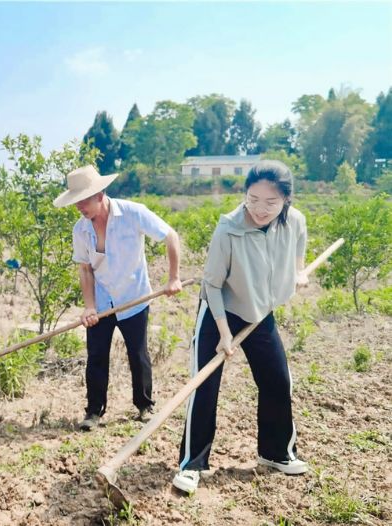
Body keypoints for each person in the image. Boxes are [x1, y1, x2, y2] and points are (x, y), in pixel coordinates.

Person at [172, 160, 309, 495]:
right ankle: (192, 464)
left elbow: (297, 257)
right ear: (245, 194)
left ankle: (276, 453)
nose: (260, 209)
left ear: (286, 201)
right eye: (253, 198)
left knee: (277, 381)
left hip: (259, 312)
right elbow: (213, 285)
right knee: (205, 386)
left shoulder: (295, 222)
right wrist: (222, 332)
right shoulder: (228, 227)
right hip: (221, 311)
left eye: (270, 202)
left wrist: (299, 272)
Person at [53, 165, 182, 431]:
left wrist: (173, 277)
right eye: (75, 202)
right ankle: (93, 412)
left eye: (84, 201)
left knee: (138, 353)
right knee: (96, 355)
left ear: (99, 194)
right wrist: (89, 306)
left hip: (134, 296)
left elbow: (170, 235)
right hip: (102, 302)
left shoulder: (133, 213)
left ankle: (145, 406)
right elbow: (85, 269)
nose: (79, 207)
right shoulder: (81, 230)